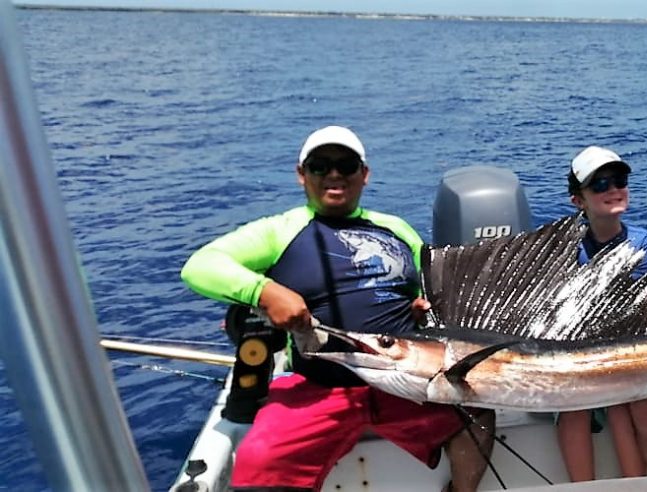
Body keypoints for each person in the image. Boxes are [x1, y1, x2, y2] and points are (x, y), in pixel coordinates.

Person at [180, 125, 494, 491]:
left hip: (403, 381)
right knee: (258, 457)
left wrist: (425, 308)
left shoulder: (396, 228)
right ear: (302, 175)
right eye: (320, 166)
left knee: (477, 417)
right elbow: (200, 266)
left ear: (364, 174)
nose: (333, 174)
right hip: (318, 384)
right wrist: (264, 292)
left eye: (345, 165)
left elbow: (429, 291)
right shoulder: (279, 231)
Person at [556, 145, 647, 481]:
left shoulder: (642, 244)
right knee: (574, 409)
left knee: (619, 405)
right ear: (578, 201)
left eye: (618, 180)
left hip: (621, 348)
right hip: (571, 349)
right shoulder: (563, 246)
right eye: (599, 185)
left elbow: (628, 312)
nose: (613, 189)